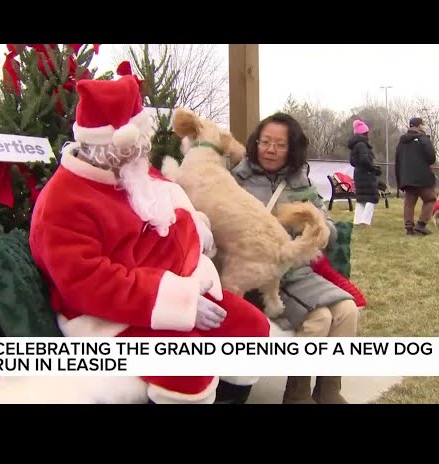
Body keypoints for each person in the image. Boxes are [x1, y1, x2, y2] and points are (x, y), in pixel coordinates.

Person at [28, 71, 271, 405]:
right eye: (137, 147)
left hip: (174, 284)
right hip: (106, 315)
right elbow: (89, 284)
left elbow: (172, 215)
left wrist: (194, 238)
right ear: (110, 149)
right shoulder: (63, 201)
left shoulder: (129, 169)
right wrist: (180, 303)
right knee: (187, 368)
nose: (145, 154)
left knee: (251, 329)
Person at [231, 112, 359, 404]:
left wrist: (318, 227)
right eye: (265, 142)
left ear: (292, 149)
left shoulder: (302, 183)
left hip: (298, 273)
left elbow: (329, 231)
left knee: (347, 310)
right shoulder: (237, 181)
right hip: (259, 277)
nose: (271, 150)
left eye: (280, 144)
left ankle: (328, 391)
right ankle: (297, 394)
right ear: (255, 143)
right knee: (320, 318)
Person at [395, 117, 437, 236]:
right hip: (423, 177)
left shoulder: (402, 141)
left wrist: (400, 180)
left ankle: (409, 229)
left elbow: (397, 161)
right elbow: (431, 158)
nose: (424, 126)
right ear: (419, 126)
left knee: (409, 203)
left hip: (406, 178)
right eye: (423, 124)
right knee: (430, 199)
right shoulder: (423, 139)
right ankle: (421, 224)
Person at [347, 119, 382, 226]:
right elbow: (365, 159)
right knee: (372, 197)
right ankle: (365, 222)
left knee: (361, 198)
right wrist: (373, 169)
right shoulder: (362, 145)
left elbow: (353, 161)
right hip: (366, 174)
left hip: (358, 174)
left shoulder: (355, 145)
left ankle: (357, 221)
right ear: (365, 133)